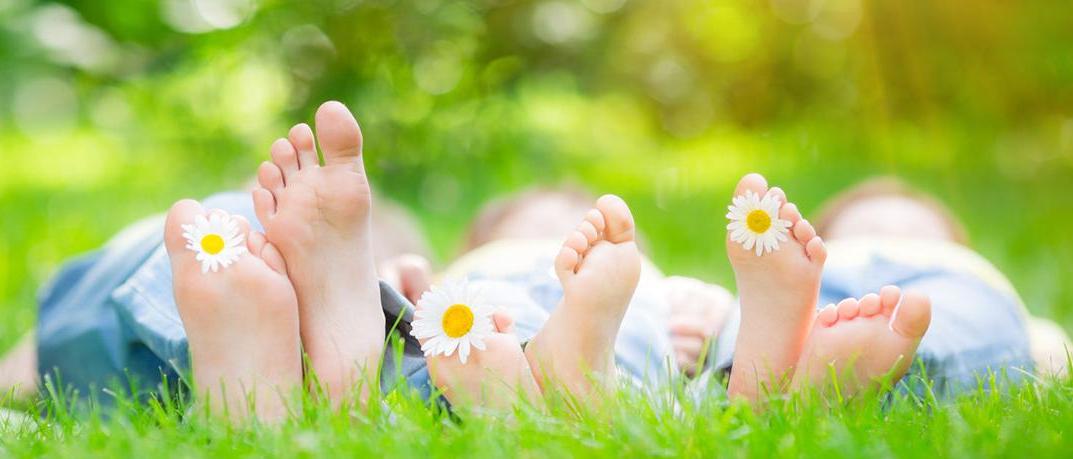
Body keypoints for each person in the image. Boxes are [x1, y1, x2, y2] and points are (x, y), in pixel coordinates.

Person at [0, 101, 1066, 421]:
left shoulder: (465, 272)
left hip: (463, 306)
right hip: (644, 317)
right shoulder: (912, 257)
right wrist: (1036, 339)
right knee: (959, 316)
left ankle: (325, 362)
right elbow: (1047, 351)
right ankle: (751, 376)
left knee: (446, 335)